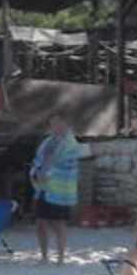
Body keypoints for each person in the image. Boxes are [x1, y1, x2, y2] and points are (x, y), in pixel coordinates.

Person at [28, 112, 89, 264]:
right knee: (40, 222)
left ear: (66, 124)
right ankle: (44, 256)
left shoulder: (71, 144)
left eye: (57, 123)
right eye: (52, 123)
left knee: (58, 223)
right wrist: (35, 171)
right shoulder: (47, 141)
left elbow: (66, 164)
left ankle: (60, 257)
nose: (54, 126)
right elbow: (38, 159)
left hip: (60, 190)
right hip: (43, 188)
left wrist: (48, 173)